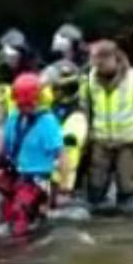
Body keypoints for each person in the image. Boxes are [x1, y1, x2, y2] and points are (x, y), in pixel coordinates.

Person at [0, 73, 66, 236]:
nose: (23, 107)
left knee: (19, 214)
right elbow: (2, 145)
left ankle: (20, 251)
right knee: (6, 215)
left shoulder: (48, 123)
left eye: (26, 103)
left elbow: (62, 155)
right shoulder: (14, 118)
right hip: (17, 176)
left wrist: (63, 187)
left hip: (39, 179)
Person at [83, 40, 133, 207]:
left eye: (101, 62)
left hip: (127, 141)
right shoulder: (90, 79)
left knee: (126, 187)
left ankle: (125, 222)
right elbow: (88, 110)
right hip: (100, 141)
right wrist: (87, 135)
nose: (98, 67)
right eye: (96, 62)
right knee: (95, 188)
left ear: (114, 58)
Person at [47, 60, 89, 205]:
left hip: (64, 180)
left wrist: (64, 186)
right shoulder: (53, 107)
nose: (54, 92)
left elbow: (69, 150)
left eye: (57, 89)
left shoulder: (77, 115)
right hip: (48, 173)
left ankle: (65, 193)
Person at [0, 28, 46, 112]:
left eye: (17, 51)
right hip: (2, 119)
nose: (11, 59)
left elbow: (45, 101)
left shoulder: (35, 75)